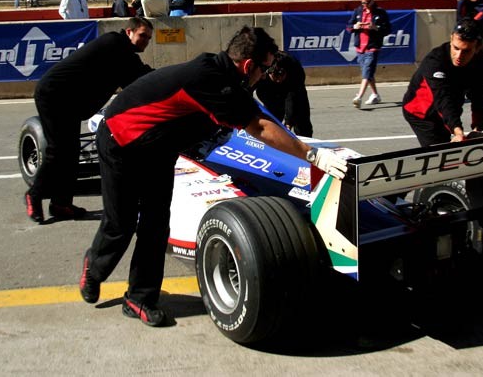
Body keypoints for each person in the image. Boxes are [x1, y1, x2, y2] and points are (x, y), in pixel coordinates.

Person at [78, 26, 347, 326]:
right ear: (248, 65)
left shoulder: (228, 79)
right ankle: (95, 268)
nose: (266, 75)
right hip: (121, 141)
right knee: (121, 223)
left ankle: (139, 297)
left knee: (155, 224)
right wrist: (311, 155)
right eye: (265, 68)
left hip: (158, 148)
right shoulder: (209, 80)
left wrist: (305, 148)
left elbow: (261, 117)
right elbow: (258, 127)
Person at [25, 17, 155, 223]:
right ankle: (34, 194)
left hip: (70, 102)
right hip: (54, 95)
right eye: (142, 36)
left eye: (148, 38)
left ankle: (61, 204)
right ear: (128, 32)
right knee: (58, 151)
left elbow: (137, 79)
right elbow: (140, 77)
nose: (145, 42)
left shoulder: (123, 52)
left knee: (70, 152)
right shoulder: (116, 45)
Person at [401, 19, 483, 147]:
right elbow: (443, 99)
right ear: (451, 39)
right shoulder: (435, 61)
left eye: (466, 51)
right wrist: (457, 131)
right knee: (439, 152)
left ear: (477, 48)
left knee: (452, 146)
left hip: (451, 105)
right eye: (455, 48)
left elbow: (480, 95)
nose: (459, 56)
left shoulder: (482, 62)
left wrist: (478, 127)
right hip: (421, 112)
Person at [347, 0, 391, 108]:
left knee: (367, 72)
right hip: (360, 47)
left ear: (371, 1)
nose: (363, 5)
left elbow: (388, 29)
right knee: (368, 72)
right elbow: (349, 27)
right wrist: (355, 26)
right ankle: (375, 95)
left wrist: (376, 28)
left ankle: (359, 97)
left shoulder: (380, 13)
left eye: (366, 3)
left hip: (373, 47)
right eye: (362, 3)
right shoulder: (358, 11)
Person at [254, 51, 313, 137]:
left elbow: (292, 97)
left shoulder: (295, 69)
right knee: (271, 118)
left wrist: (288, 122)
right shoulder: (259, 69)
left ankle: (305, 142)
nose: (278, 80)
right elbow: (248, 91)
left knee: (301, 118)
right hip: (268, 91)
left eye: (281, 76)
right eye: (276, 76)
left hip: (293, 89)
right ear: (268, 72)